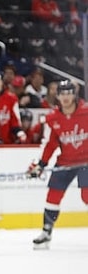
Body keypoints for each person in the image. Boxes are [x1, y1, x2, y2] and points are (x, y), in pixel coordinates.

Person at [26, 79, 88, 249]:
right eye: (62, 94)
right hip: (66, 162)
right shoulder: (53, 118)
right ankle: (46, 231)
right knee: (53, 195)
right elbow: (50, 144)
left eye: (69, 93)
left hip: (86, 162)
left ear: (74, 95)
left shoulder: (86, 111)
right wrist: (40, 164)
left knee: (86, 196)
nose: (66, 97)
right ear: (58, 96)